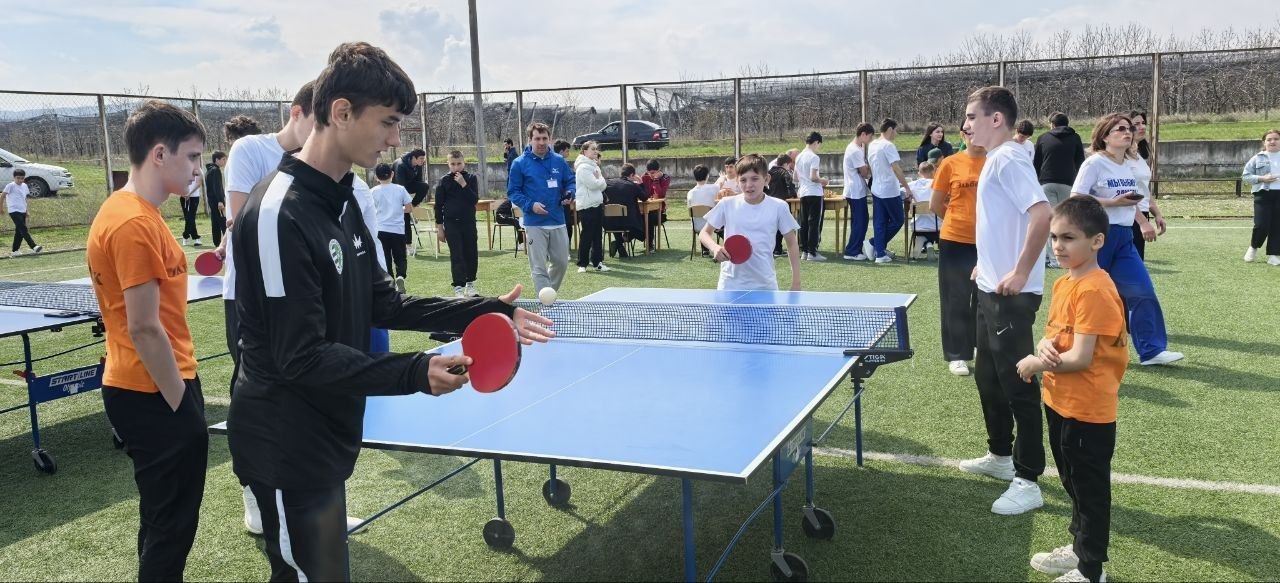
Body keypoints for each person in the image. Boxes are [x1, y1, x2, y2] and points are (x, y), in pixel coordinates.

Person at [228, 42, 553, 583]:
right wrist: (414, 372)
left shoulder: (344, 197)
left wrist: (483, 311)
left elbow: (384, 301)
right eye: (389, 122)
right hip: (285, 441)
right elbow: (297, 357)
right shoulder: (277, 212)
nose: (397, 138)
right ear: (340, 113)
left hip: (326, 429)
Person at [86, 100, 208, 581]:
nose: (199, 168)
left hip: (151, 386)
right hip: (154, 390)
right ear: (160, 154)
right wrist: (180, 401)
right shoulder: (134, 222)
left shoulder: (135, 210)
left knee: (163, 523)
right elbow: (143, 325)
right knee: (170, 529)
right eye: (193, 157)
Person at [216, 80, 322, 536]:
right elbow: (242, 222)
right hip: (249, 300)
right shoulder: (249, 149)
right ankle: (257, 504)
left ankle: (312, 505)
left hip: (301, 298)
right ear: (297, 113)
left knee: (306, 403)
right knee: (259, 408)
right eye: (319, 123)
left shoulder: (321, 165)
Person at [1016, 195, 1127, 583]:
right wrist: (1044, 348)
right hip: (1060, 400)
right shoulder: (1066, 281)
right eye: (1054, 238)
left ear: (1096, 241)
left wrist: (1034, 362)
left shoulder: (1094, 289)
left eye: (1069, 238)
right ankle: (1078, 548)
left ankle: (1091, 569)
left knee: (1089, 490)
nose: (1058, 246)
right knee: (1072, 483)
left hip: (1088, 410)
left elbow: (1080, 357)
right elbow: (1059, 339)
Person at [959, 86, 1052, 516]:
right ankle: (1000, 456)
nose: (966, 125)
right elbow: (999, 223)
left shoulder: (1010, 157)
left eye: (972, 116)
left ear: (997, 119)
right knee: (988, 377)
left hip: (1011, 296)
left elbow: (1042, 214)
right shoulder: (996, 158)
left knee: (1018, 384)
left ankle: (1028, 478)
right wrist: (986, 263)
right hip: (990, 286)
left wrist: (1018, 271)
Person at [1071, 113, 1185, 367]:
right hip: (1097, 237)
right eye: (1119, 129)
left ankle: (1152, 350)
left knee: (1142, 290)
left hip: (1124, 237)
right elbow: (1076, 197)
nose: (1127, 132)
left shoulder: (1127, 164)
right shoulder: (1094, 163)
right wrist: (1113, 202)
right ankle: (1071, 349)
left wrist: (1142, 219)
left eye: (1129, 129)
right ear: (1104, 136)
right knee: (1089, 296)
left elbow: (1131, 200)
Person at [699, 154, 801, 291]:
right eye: (743, 180)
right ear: (737, 181)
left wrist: (796, 283)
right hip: (730, 285)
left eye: (754, 179)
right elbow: (704, 233)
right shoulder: (726, 204)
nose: (748, 185)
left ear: (766, 179)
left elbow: (792, 242)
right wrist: (714, 247)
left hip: (765, 286)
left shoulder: (779, 206)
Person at [931, 129, 987, 377]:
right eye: (969, 132)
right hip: (955, 241)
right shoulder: (950, 163)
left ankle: (977, 346)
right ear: (962, 135)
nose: (975, 136)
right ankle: (957, 355)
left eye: (979, 131)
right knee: (956, 299)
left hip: (988, 243)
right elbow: (935, 204)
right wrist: (958, 221)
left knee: (984, 297)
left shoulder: (995, 161)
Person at [508, 121, 574, 293]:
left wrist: (569, 194)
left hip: (558, 220)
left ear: (550, 139)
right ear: (530, 140)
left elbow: (570, 182)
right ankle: (546, 304)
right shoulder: (519, 163)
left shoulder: (559, 161)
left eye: (545, 138)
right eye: (537, 138)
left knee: (561, 262)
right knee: (539, 267)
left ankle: (547, 295)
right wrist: (531, 205)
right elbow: (513, 192)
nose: (542, 142)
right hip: (534, 223)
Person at [1034, 112, 1086, 268]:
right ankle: (1062, 256)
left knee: (1048, 220)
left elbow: (1036, 163)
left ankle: (1049, 258)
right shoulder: (1075, 138)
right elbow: (1080, 162)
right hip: (1068, 184)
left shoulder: (1043, 138)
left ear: (1052, 124)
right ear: (1068, 123)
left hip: (1046, 183)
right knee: (1064, 221)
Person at [866, 119, 915, 263]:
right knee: (898, 220)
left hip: (876, 188)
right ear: (889, 129)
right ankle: (874, 243)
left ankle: (880, 254)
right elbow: (896, 168)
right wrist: (906, 187)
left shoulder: (872, 144)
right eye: (895, 130)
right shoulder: (888, 145)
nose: (896, 133)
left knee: (879, 222)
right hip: (889, 189)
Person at [435, 151, 481, 295]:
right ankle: (458, 287)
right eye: (453, 164)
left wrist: (463, 184)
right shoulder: (443, 181)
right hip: (451, 224)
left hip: (468, 223)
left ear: (464, 163)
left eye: (459, 163)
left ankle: (470, 283)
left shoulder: (471, 178)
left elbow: (474, 200)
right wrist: (439, 228)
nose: (456, 167)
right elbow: (438, 205)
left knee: (471, 253)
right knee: (457, 254)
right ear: (448, 164)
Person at [1126, 111, 1166, 260]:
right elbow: (1123, 194)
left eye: (1143, 123)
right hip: (1127, 217)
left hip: (1141, 214)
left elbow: (1144, 191)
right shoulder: (1121, 159)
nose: (1142, 127)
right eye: (1136, 124)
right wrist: (1141, 222)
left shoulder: (1141, 159)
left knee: (1137, 264)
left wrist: (1157, 214)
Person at [1241, 129, 1280, 265]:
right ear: (1264, 142)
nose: (1272, 141)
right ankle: (1253, 247)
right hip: (1263, 194)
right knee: (1261, 224)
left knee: (1277, 225)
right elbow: (1246, 176)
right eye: (1269, 139)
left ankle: (1274, 254)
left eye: (1276, 139)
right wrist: (1262, 178)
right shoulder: (1258, 158)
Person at [372, 163, 413, 292]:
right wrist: (399, 209)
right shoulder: (400, 189)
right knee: (400, 257)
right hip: (398, 230)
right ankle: (401, 275)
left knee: (385, 258)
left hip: (381, 230)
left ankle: (390, 282)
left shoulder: (372, 191)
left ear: (376, 177)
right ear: (392, 174)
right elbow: (409, 208)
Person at [573, 141, 609, 272]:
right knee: (587, 235)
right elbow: (594, 184)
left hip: (597, 204)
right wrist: (600, 180)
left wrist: (599, 180)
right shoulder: (582, 168)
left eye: (596, 149)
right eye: (592, 149)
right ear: (584, 151)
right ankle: (582, 264)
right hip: (586, 206)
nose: (595, 151)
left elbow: (602, 185)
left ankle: (598, 262)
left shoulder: (595, 166)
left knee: (597, 235)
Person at [841, 123, 874, 260]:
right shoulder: (855, 150)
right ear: (863, 134)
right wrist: (867, 167)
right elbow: (864, 172)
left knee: (859, 221)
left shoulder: (856, 148)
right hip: (855, 190)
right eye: (869, 137)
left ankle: (855, 249)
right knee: (861, 221)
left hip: (855, 189)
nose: (870, 140)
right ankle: (852, 251)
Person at [795, 131, 829, 261]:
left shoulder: (798, 157)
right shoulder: (814, 157)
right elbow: (813, 177)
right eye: (818, 145)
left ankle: (804, 251)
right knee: (814, 223)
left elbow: (795, 177)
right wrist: (824, 180)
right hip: (814, 192)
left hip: (803, 192)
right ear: (816, 142)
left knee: (803, 222)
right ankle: (812, 252)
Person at [602, 163, 648, 258]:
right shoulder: (633, 186)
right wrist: (641, 183)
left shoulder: (607, 183)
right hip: (628, 222)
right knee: (640, 228)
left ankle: (620, 247)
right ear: (632, 175)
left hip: (608, 221)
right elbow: (644, 198)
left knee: (615, 220)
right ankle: (620, 242)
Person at [393, 148, 428, 254]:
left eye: (423, 158)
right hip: (396, 189)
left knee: (424, 186)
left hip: (407, 186)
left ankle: (412, 206)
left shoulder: (418, 165)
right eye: (421, 158)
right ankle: (408, 246)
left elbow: (419, 182)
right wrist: (406, 204)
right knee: (406, 217)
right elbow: (400, 187)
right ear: (414, 158)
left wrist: (411, 205)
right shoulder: (401, 165)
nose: (423, 160)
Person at [2, 169, 41, 257]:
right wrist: (1, 208)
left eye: (22, 178)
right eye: (18, 178)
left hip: (22, 210)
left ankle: (15, 251)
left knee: (19, 231)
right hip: (13, 211)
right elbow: (2, 196)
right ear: (14, 178)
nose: (20, 180)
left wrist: (26, 211)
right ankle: (34, 246)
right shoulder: (10, 186)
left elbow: (24, 199)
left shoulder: (24, 186)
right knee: (23, 229)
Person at [907, 161, 939, 259]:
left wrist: (910, 198)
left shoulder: (912, 184)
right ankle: (929, 243)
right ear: (933, 171)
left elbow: (902, 194)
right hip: (937, 224)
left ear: (919, 173)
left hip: (918, 225)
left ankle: (926, 243)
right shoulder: (937, 183)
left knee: (921, 226)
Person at [767, 154, 797, 255]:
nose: (789, 167)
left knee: (772, 226)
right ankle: (778, 249)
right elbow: (789, 183)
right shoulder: (784, 172)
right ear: (785, 164)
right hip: (782, 201)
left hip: (770, 201)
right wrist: (794, 194)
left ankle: (775, 248)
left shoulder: (769, 172)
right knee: (783, 227)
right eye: (789, 165)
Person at [641, 159, 671, 253]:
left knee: (649, 217)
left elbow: (660, 194)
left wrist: (656, 180)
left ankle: (650, 244)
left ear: (659, 170)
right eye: (649, 173)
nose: (651, 175)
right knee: (636, 215)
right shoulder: (644, 177)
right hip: (645, 208)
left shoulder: (665, 178)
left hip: (659, 211)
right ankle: (626, 239)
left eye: (653, 173)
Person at [554, 140, 577, 236]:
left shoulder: (564, 164)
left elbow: (571, 181)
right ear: (561, 151)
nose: (569, 153)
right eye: (567, 151)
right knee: (567, 225)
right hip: (560, 200)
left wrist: (570, 192)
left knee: (567, 225)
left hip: (565, 198)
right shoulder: (557, 162)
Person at [205, 151, 227, 247]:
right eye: (223, 159)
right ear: (217, 160)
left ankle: (217, 243)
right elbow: (216, 187)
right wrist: (220, 201)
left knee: (215, 222)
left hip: (212, 201)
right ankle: (228, 242)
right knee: (222, 221)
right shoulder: (215, 170)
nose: (224, 161)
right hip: (217, 202)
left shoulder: (209, 170)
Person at [179, 173, 202, 246]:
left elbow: (198, 183)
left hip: (194, 197)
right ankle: (196, 238)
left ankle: (185, 236)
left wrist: (189, 193)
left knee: (191, 217)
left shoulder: (198, 170)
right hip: (184, 196)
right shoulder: (183, 168)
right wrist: (183, 192)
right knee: (188, 218)